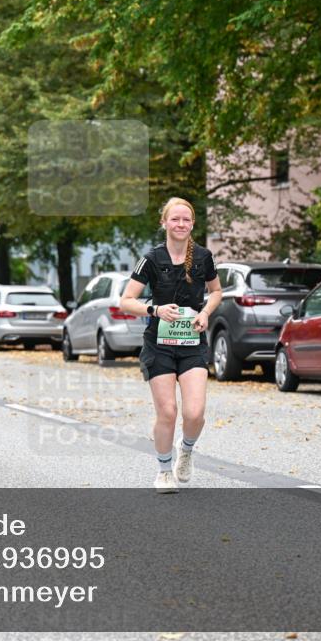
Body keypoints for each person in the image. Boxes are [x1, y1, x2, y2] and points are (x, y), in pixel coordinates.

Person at [119, 197, 222, 494]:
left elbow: (216, 291)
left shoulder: (203, 256)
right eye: (175, 219)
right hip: (159, 345)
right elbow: (126, 300)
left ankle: (185, 450)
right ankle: (164, 471)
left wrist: (205, 313)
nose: (180, 224)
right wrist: (155, 310)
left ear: (192, 224)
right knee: (167, 412)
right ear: (164, 222)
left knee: (195, 413)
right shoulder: (152, 259)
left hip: (192, 344)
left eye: (186, 220)